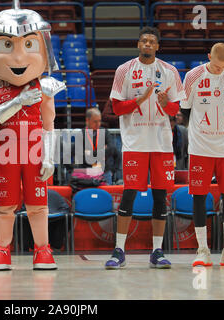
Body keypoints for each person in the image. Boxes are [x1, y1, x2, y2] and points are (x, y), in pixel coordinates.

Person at [0, 0, 65, 270]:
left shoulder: (46, 86)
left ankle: (42, 250)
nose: (18, 58)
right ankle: (2, 249)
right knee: (4, 205)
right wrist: (18, 102)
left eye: (28, 45)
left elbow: (50, 124)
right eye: (7, 46)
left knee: (38, 205)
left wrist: (50, 157)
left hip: (35, 150)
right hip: (6, 150)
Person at [105, 26, 186, 269]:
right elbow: (117, 109)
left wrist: (165, 103)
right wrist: (140, 99)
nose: (148, 44)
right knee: (129, 194)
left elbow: (176, 111)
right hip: (135, 142)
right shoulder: (124, 70)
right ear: (138, 44)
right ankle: (119, 250)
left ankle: (157, 251)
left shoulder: (169, 71)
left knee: (160, 197)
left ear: (158, 46)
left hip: (161, 143)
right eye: (144, 41)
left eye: (152, 41)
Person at [181, 42, 224, 267]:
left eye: (223, 66)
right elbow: (185, 108)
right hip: (200, 147)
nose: (220, 70)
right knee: (199, 196)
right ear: (208, 57)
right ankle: (202, 250)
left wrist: (223, 129)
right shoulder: (193, 76)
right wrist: (201, 130)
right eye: (216, 66)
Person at [68, 108, 118, 185]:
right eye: (95, 121)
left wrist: (113, 170)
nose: (98, 124)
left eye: (100, 121)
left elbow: (112, 150)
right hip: (86, 172)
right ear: (87, 120)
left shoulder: (105, 132)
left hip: (104, 172)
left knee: (106, 195)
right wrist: (102, 152)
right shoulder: (81, 135)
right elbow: (81, 156)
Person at [101, 99, 123, 182]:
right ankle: (117, 179)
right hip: (117, 134)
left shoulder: (136, 99)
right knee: (117, 154)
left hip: (132, 134)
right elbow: (105, 116)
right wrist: (121, 118)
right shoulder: (113, 99)